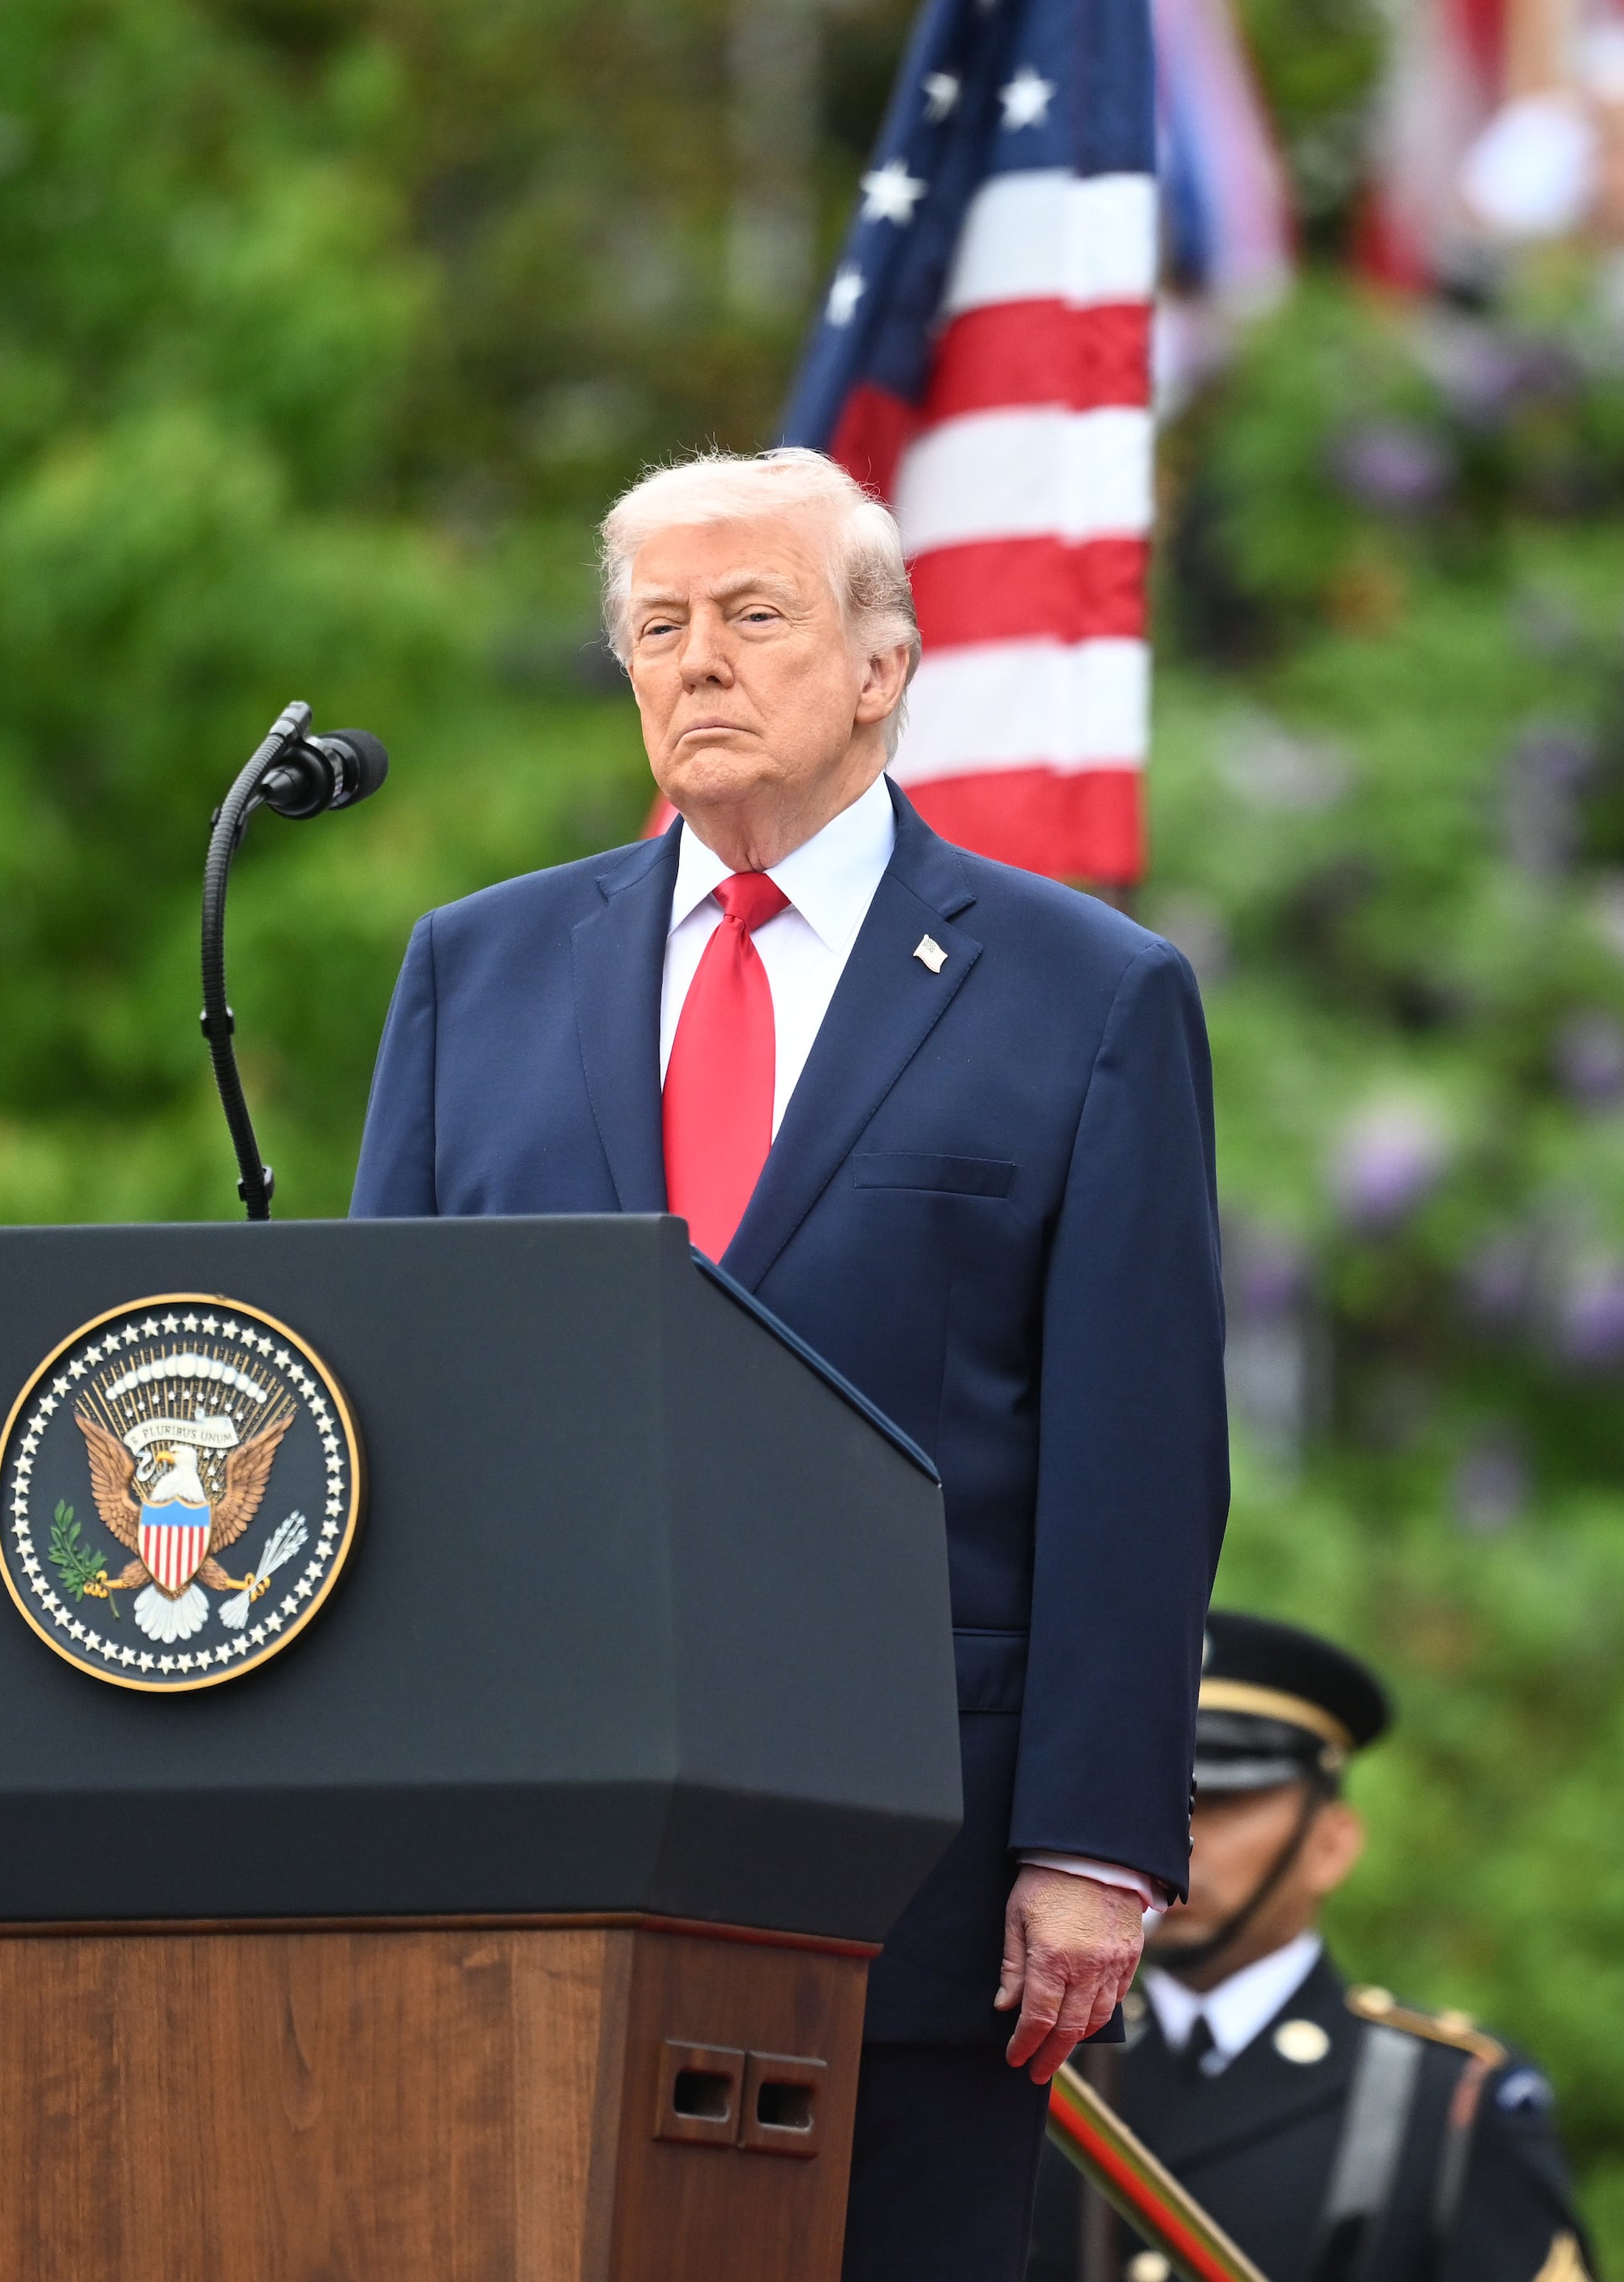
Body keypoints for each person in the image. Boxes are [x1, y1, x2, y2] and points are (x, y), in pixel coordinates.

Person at [348, 447, 1229, 2281]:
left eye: (754, 616)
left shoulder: (1084, 992)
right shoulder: (475, 972)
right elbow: (392, 1403)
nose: (700, 662)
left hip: (919, 1869)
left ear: (883, 666)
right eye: (658, 626)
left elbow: (1135, 1454)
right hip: (537, 1844)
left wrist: (1091, 1841)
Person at [1024, 1614, 1595, 2282]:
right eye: (1146, 1804)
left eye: (1217, 1802)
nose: (1165, 1841)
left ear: (1331, 1846)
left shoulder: (1449, 2098)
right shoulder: (1048, 2065)